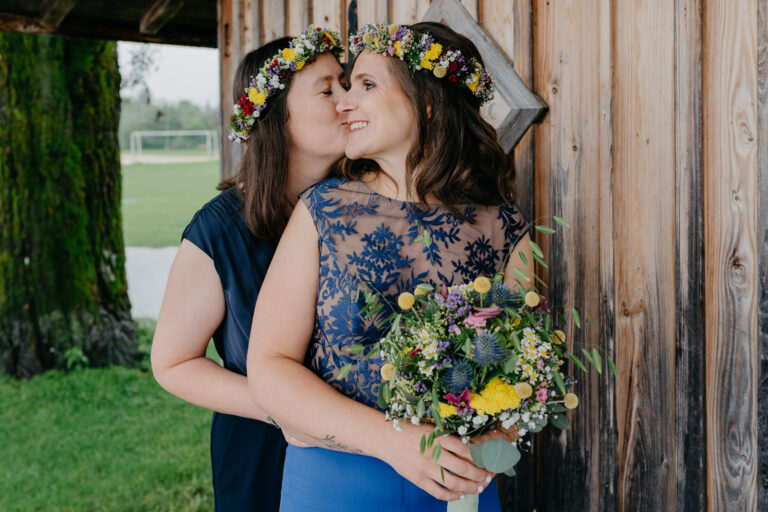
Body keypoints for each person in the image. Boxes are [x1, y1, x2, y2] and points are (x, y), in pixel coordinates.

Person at [247, 22, 533, 511]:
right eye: (345, 86)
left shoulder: (506, 229)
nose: (343, 103)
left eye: (367, 85)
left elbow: (523, 370)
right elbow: (269, 367)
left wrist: (493, 437)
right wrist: (392, 440)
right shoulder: (322, 211)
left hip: (457, 484)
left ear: (425, 103)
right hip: (338, 483)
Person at [150, 25, 347, 511]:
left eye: (347, 84)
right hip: (264, 447)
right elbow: (173, 363)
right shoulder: (218, 231)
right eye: (328, 89)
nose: (347, 99)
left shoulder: (365, 209)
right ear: (279, 119)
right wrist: (288, 410)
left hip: (366, 453)